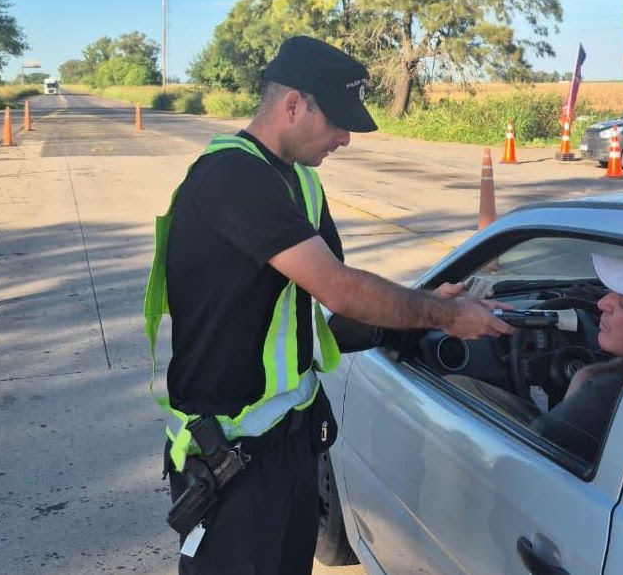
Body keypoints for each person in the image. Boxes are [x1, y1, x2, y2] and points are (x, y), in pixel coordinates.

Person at [143, 36, 513, 574]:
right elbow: (340, 288)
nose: (345, 138)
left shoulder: (300, 182)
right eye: (338, 122)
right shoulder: (232, 177)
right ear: (294, 105)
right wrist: (446, 317)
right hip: (229, 455)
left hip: (290, 443)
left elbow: (327, 305)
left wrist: (426, 303)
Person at [449, 250, 623, 461]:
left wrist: (583, 389)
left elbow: (527, 462)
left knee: (455, 386)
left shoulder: (602, 397)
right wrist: (593, 371)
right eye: (611, 292)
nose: (602, 303)